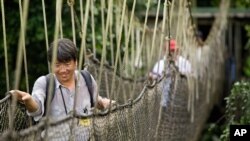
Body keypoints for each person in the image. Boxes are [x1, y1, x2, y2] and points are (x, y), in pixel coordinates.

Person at [10, 38, 113, 122]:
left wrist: (104, 103)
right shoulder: (44, 83)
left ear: (75, 62)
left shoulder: (86, 78)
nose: (63, 70)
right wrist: (28, 100)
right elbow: (37, 110)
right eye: (57, 65)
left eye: (67, 64)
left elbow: (95, 100)